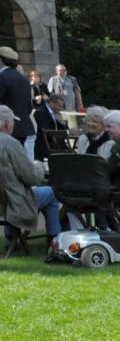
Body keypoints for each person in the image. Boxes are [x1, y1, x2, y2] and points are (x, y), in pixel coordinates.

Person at [0, 105, 66, 249]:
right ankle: (54, 240)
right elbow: (32, 178)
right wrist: (38, 166)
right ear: (6, 124)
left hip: (3, 200)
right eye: (12, 122)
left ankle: (11, 239)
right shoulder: (10, 143)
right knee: (51, 193)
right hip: (12, 202)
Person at [0, 47, 35, 159]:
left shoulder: (2, 77)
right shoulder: (24, 79)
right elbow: (28, 106)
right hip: (22, 127)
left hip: (4, 128)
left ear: (1, 59)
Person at [33, 93, 67, 161]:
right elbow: (47, 131)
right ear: (51, 103)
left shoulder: (57, 113)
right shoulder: (40, 112)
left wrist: (63, 123)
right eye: (59, 106)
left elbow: (65, 131)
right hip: (45, 147)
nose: (60, 109)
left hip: (57, 145)